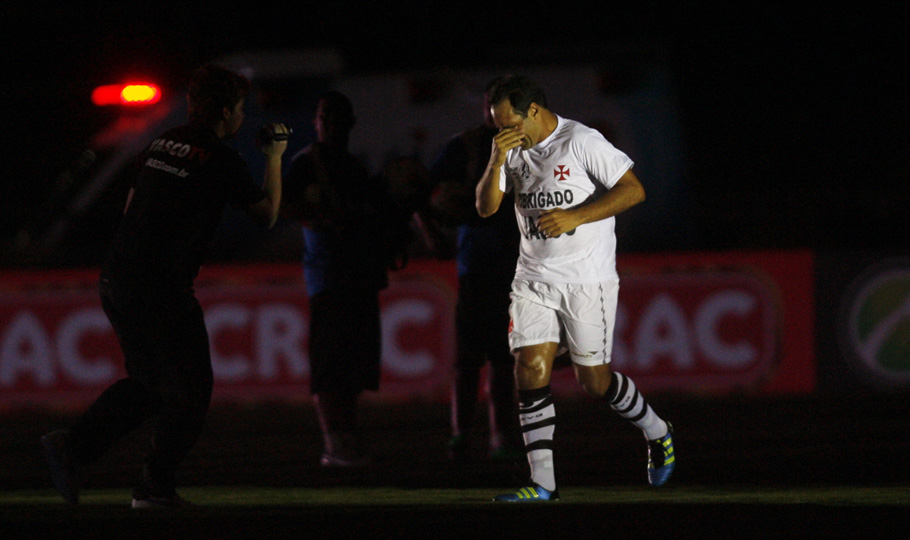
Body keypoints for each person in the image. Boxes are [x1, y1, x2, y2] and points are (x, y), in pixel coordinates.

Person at [40, 64, 289, 508]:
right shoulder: (220, 158)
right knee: (192, 390)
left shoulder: (158, 143)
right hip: (160, 287)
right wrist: (274, 156)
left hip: (116, 278)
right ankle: (154, 486)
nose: (241, 116)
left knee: (152, 383)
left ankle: (73, 447)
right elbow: (267, 214)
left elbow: (130, 209)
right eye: (240, 108)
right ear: (226, 112)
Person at [475, 75, 676, 502]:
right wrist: (496, 158)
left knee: (594, 382)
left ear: (533, 110)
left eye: (509, 123)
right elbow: (485, 208)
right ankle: (543, 484)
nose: (504, 132)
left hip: (587, 280)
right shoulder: (509, 150)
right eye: (497, 126)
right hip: (532, 278)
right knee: (528, 368)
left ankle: (657, 431)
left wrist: (576, 216)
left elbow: (634, 191)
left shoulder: (581, 140)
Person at [281, 91, 401, 468]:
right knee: (332, 364)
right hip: (330, 275)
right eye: (326, 117)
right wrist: (320, 218)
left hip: (357, 274)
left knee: (351, 366)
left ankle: (346, 439)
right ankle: (335, 443)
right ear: (317, 122)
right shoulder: (308, 163)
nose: (331, 124)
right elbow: (284, 205)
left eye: (337, 118)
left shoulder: (351, 166)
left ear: (349, 123)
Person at [426, 78, 523, 461]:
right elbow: (418, 190)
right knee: (471, 359)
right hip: (477, 267)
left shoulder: (530, 144)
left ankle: (500, 436)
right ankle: (462, 434)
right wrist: (432, 233)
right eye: (489, 103)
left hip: (515, 268)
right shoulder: (464, 146)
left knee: (503, 358)